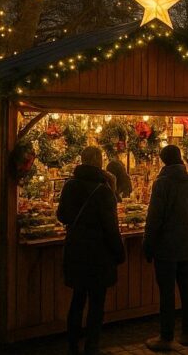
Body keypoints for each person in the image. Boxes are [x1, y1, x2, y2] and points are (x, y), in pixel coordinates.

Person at [57, 146, 125, 355]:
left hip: (76, 249)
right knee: (97, 302)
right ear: (98, 162)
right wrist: (120, 253)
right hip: (99, 254)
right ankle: (92, 346)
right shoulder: (104, 190)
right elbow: (111, 227)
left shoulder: (70, 186)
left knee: (77, 299)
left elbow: (62, 216)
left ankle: (72, 345)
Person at [143, 145, 188, 352]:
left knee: (167, 292)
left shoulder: (162, 184)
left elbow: (154, 218)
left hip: (167, 245)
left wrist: (148, 244)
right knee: (187, 287)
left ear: (163, 161)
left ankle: (166, 336)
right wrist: (187, 221)